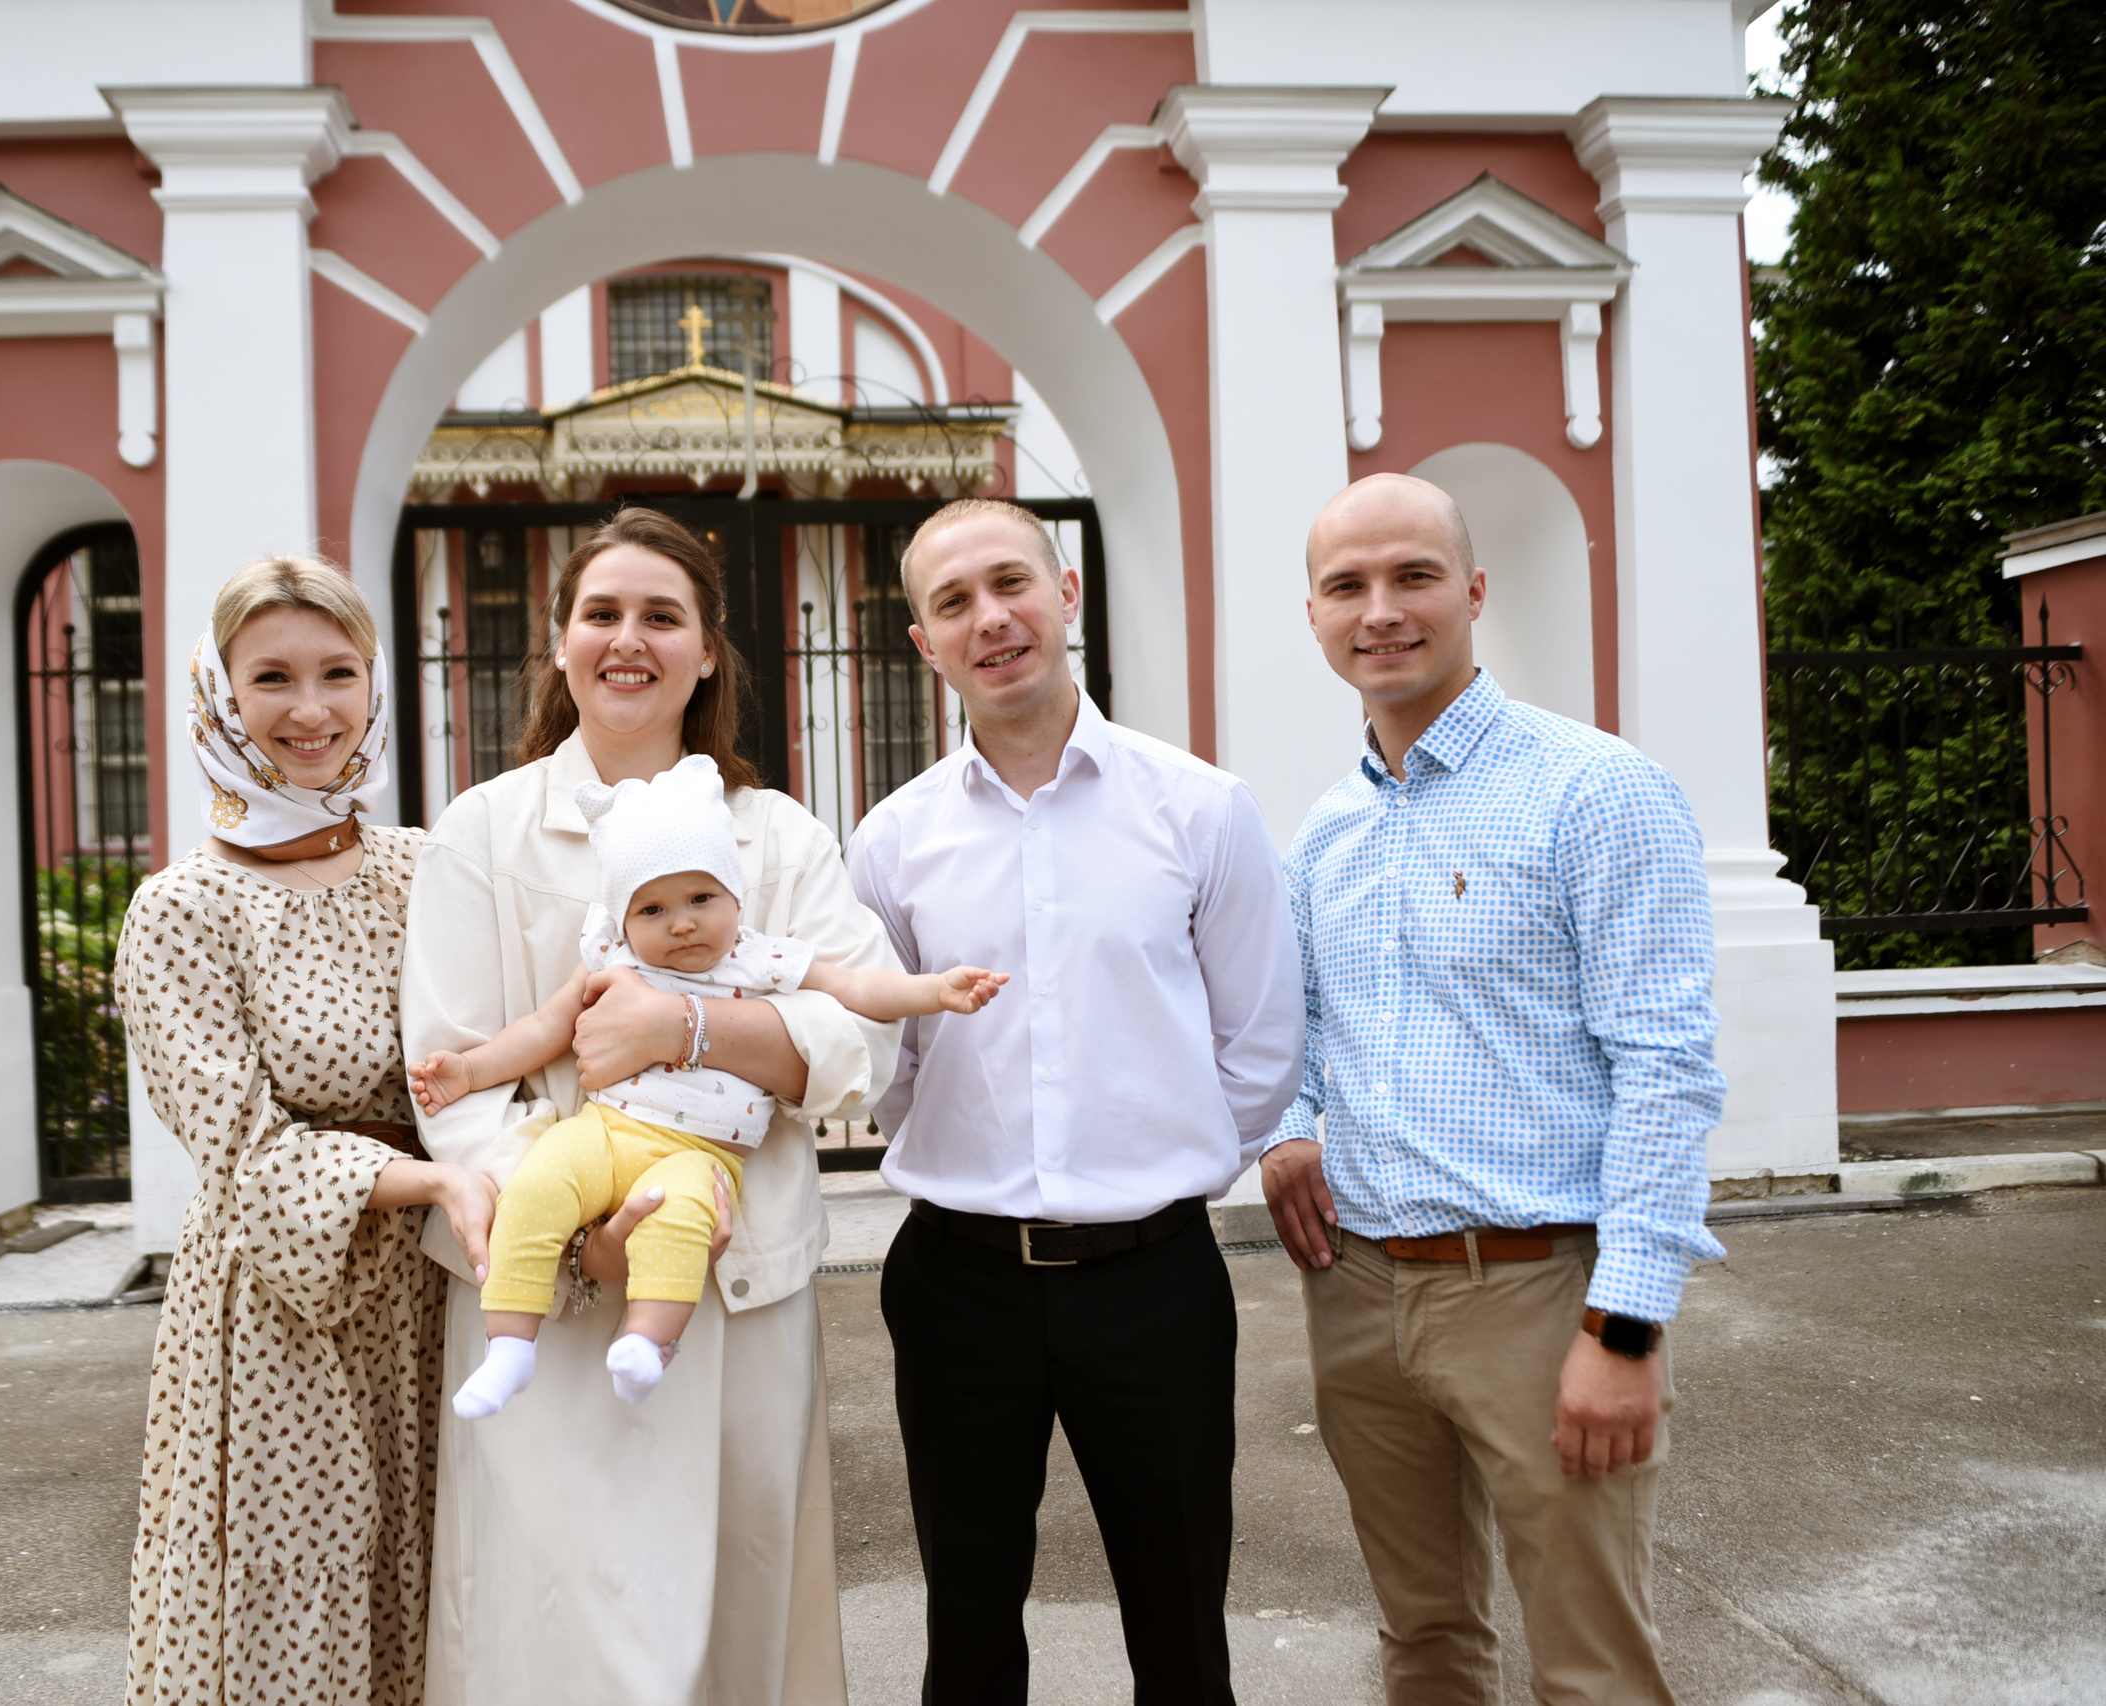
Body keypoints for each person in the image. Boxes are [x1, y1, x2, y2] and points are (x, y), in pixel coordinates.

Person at [400, 508, 902, 1705]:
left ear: (709, 652)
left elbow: (854, 1044)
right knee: (556, 1632)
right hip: (544, 1293)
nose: (629, 640)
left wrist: (686, 1027)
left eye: (662, 616)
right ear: (561, 644)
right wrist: (582, 1223)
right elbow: (454, 1065)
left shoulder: (773, 833)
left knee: (738, 1624)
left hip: (734, 1284)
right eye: (602, 613)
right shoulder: (483, 828)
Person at [1260, 472, 1727, 1706]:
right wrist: (1293, 1132)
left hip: (1537, 1289)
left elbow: (1667, 1073)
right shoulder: (1324, 833)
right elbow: (1306, 1035)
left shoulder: (1597, 790)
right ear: (1310, 612)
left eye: (1412, 576)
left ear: (1471, 589)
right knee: (1422, 1642)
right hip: (1358, 1296)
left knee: (1591, 1665)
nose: (1381, 611)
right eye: (1346, 586)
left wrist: (1623, 1329)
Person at [845, 498, 1305, 1706]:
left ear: (1065, 593)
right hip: (957, 1281)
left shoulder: (1200, 806)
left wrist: (1159, 1159)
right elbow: (882, 1060)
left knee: (1178, 1621)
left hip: (1152, 1281)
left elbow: (1259, 1039)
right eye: (953, 603)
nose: (989, 618)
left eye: (1010, 584)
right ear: (922, 643)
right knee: (969, 1624)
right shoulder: (893, 842)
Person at [115, 556, 502, 1706]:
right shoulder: (183, 909)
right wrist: (427, 1182)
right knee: (301, 1602)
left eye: (339, 671)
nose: (311, 709)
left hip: (437, 1296)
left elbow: (493, 1046)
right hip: (285, 1312)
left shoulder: (419, 866)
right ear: (219, 695)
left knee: (437, 1590)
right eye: (272, 677)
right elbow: (243, 1146)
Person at [413, 752, 1004, 1417]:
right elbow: (544, 1030)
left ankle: (646, 1343)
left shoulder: (757, 957)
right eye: (653, 908)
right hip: (605, 1132)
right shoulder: (612, 957)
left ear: (734, 898)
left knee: (683, 1223)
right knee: (537, 1188)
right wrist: (472, 1068)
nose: (682, 922)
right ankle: (510, 1345)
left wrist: (934, 990)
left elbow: (859, 987)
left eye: (701, 898)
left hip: (702, 1155)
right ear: (623, 917)